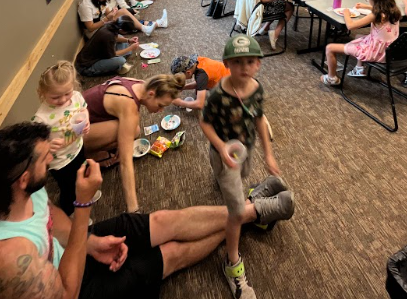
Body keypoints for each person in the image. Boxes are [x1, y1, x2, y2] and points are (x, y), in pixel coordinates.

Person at [0, 122, 293, 299]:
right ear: (23, 178)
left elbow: (55, 221)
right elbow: (68, 293)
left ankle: (250, 209)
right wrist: (84, 204)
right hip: (77, 290)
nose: (51, 157)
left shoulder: (29, 190)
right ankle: (254, 212)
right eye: (44, 159)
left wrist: (91, 243)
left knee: (165, 221)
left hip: (77, 245)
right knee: (170, 254)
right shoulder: (12, 257)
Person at [200, 35, 295, 299]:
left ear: (258, 65)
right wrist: (220, 147)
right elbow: (205, 123)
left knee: (241, 178)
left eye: (250, 61)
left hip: (246, 150)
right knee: (236, 212)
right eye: (237, 61)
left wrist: (269, 154)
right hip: (224, 154)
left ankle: (243, 194)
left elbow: (260, 119)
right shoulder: (218, 94)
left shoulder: (257, 88)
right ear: (227, 63)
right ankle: (232, 263)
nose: (244, 67)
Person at [82, 74, 184, 212]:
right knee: (126, 130)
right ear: (151, 93)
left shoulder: (142, 83)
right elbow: (125, 162)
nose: (160, 110)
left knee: (134, 130)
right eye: (160, 105)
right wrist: (133, 209)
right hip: (68, 136)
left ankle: (92, 152)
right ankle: (84, 156)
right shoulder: (128, 103)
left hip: (84, 121)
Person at [31, 62, 91, 216]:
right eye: (55, 97)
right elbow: (36, 145)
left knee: (83, 172)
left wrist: (87, 120)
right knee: (68, 188)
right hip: (60, 162)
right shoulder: (41, 118)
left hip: (77, 147)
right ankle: (70, 213)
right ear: (42, 93)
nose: (63, 99)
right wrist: (48, 145)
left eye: (67, 93)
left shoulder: (76, 97)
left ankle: (83, 195)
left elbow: (84, 108)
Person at [320, 0, 401, 85]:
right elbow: (381, 10)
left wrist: (346, 13)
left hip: (376, 52)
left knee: (330, 48)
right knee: (359, 37)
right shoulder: (394, 10)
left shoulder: (375, 15)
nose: (368, 1)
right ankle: (359, 68)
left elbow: (350, 26)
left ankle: (331, 78)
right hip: (390, 49)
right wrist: (366, 6)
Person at [78, 0, 155, 39]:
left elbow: (108, 13)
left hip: (102, 22)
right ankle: (142, 27)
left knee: (124, 11)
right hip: (93, 31)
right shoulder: (86, 6)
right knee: (121, 30)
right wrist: (107, 18)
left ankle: (144, 28)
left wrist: (113, 12)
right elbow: (90, 28)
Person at [75, 16, 139, 77]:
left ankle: (116, 63)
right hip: (86, 66)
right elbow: (113, 54)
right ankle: (116, 65)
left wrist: (128, 40)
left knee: (122, 40)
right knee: (121, 61)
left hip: (98, 55)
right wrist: (130, 48)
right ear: (121, 30)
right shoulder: (108, 36)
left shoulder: (111, 25)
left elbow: (115, 38)